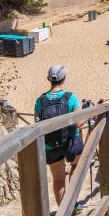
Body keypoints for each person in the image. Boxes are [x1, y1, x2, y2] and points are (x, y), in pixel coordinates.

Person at [34, 66, 84, 206]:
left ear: (48, 79)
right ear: (64, 79)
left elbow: (37, 125)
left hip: (50, 147)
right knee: (76, 167)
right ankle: (73, 202)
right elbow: (79, 123)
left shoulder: (40, 101)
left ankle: (63, 213)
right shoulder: (71, 97)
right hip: (70, 143)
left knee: (58, 180)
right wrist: (88, 113)